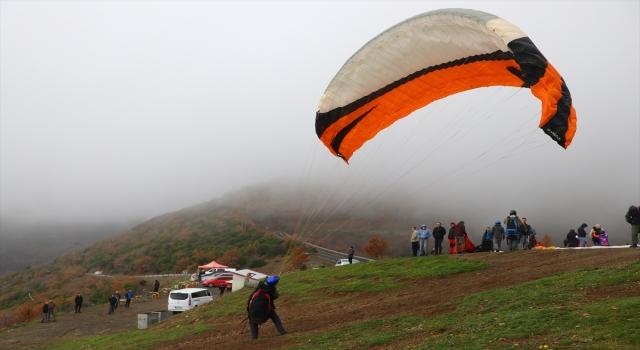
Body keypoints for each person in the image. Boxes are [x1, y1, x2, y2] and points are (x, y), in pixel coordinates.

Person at [245, 275, 287, 340]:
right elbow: (276, 296)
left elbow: (246, 283)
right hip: (265, 313)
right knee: (274, 316)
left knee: (252, 320)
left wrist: (247, 276)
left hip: (253, 312)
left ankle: (254, 338)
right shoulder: (273, 290)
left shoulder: (258, 284)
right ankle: (281, 331)